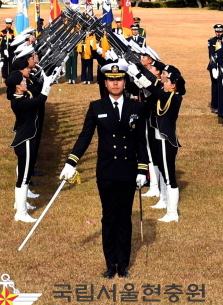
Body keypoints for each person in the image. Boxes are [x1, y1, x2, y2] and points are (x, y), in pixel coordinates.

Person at [59, 62, 149, 279]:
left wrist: (142, 169)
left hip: (128, 170)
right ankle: (110, 264)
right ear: (105, 83)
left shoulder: (135, 107)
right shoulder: (96, 107)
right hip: (106, 170)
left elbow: (140, 141)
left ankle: (123, 264)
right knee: (109, 217)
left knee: (124, 217)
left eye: (119, 79)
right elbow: (85, 137)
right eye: (111, 79)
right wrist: (71, 162)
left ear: (124, 82)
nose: (115, 83)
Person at [9, 67, 58, 221]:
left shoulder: (22, 97)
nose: (25, 82)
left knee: (25, 174)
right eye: (23, 81)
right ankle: (21, 213)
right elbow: (41, 99)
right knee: (23, 178)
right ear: (17, 86)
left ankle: (21, 204)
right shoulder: (19, 102)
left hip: (26, 139)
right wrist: (47, 85)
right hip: (26, 141)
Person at [144, 59, 183, 223]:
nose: (163, 82)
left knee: (169, 177)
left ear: (173, 85)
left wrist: (138, 72)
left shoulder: (174, 97)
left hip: (167, 142)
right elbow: (151, 95)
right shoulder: (163, 95)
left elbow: (155, 90)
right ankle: (165, 201)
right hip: (159, 139)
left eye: (166, 81)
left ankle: (172, 213)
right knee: (161, 168)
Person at [205, 23, 223, 112]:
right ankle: (215, 105)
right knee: (215, 86)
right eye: (217, 31)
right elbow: (211, 54)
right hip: (214, 66)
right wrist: (214, 67)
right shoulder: (211, 41)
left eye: (220, 31)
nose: (219, 33)